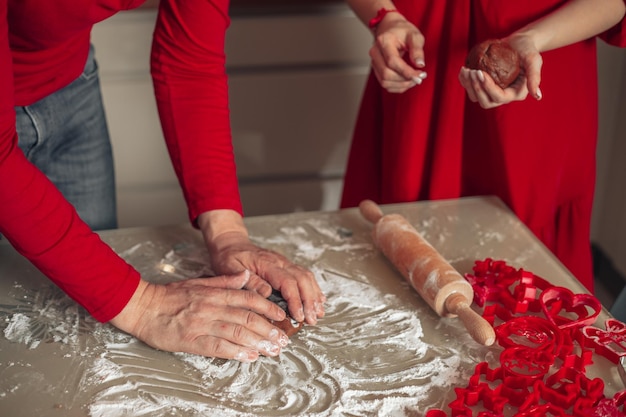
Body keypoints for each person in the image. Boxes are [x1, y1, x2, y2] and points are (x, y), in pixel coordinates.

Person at [0, 0, 325, 362]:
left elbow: (190, 65)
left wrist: (227, 234)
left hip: (69, 84)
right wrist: (143, 306)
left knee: (82, 326)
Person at [341, 0, 626, 293]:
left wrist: (532, 39)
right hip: (420, 76)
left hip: (539, 75)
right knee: (400, 267)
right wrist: (384, 17)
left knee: (530, 293)